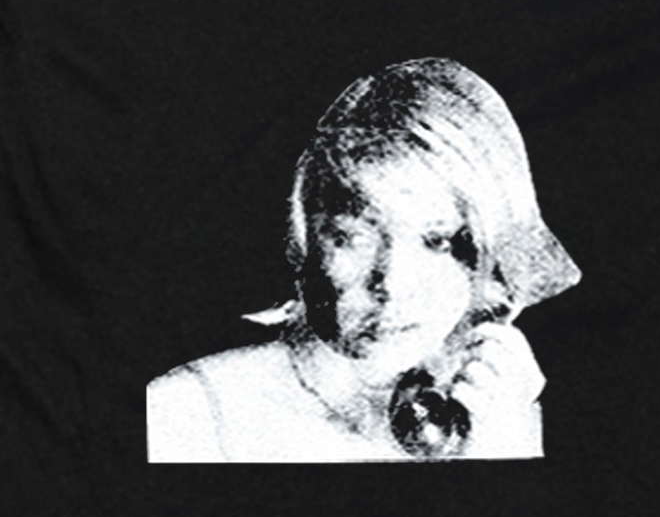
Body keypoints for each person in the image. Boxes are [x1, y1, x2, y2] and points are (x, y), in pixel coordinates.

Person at [147, 57, 581, 462]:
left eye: (438, 241)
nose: (391, 283)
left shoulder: (511, 422)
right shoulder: (190, 412)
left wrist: (500, 446)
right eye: (352, 237)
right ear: (304, 237)